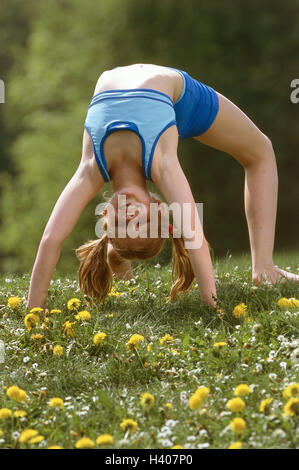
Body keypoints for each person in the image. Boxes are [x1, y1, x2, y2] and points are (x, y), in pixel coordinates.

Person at [26, 63, 299, 310]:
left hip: (156, 98)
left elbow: (51, 239)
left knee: (260, 152)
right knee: (260, 151)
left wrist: (34, 311)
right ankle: (263, 270)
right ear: (157, 207)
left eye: (121, 226)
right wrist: (212, 308)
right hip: (181, 99)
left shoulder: (91, 168)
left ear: (106, 215)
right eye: (141, 224)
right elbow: (195, 237)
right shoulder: (162, 164)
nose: (130, 217)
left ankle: (118, 256)